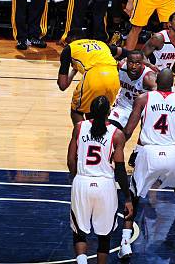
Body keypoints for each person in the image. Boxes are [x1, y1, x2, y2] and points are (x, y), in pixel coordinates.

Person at [119, 69, 175, 259]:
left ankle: (125, 243)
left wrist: (116, 148)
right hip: (173, 153)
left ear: (156, 81)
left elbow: (129, 129)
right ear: (172, 84)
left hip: (149, 153)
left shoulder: (143, 99)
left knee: (133, 196)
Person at [67, 95, 133, 264]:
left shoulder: (79, 127)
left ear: (90, 111)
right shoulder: (117, 134)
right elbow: (119, 169)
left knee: (79, 232)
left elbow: (70, 159)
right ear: (109, 112)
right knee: (104, 236)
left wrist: (76, 177)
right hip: (105, 186)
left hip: (82, 181)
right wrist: (127, 197)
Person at [57, 29, 121, 126]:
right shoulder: (101, 44)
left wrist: (73, 71)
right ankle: (103, 139)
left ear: (72, 39)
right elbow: (123, 52)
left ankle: (84, 136)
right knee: (101, 112)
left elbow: (62, 85)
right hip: (114, 77)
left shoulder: (69, 48)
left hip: (94, 76)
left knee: (76, 111)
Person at [143, 12, 175, 98]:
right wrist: (150, 65)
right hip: (150, 74)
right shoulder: (159, 38)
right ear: (169, 24)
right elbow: (141, 56)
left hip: (165, 77)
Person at [109, 51, 156, 130]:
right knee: (111, 128)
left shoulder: (148, 77)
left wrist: (145, 96)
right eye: (131, 63)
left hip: (143, 108)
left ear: (142, 63)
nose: (134, 66)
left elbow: (160, 94)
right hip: (123, 105)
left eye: (137, 63)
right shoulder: (121, 67)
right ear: (127, 61)